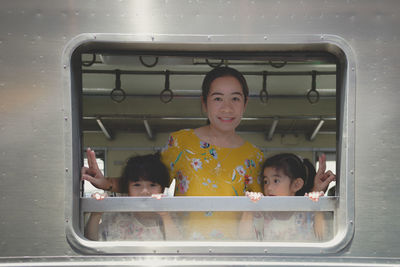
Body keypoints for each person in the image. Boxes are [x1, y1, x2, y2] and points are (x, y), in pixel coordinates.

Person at [82, 67, 335, 240]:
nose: (227, 107)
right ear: (204, 103)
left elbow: (275, 203)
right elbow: (147, 179)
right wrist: (107, 183)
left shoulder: (255, 156)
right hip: (185, 244)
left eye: (235, 99)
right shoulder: (180, 142)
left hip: (236, 248)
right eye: (217, 99)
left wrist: (313, 192)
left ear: (245, 103)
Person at [84, 153, 180, 241]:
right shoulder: (116, 218)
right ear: (127, 188)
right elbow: (92, 241)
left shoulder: (171, 217)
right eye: (137, 185)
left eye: (152, 185)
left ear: (162, 189)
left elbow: (178, 246)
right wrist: (96, 213)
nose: (145, 191)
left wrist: (165, 216)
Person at [239, 153, 331, 241]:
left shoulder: (308, 213)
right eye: (266, 181)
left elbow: (322, 237)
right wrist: (250, 207)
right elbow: (243, 237)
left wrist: (317, 204)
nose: (269, 187)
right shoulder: (261, 214)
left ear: (296, 185)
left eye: (276, 181)